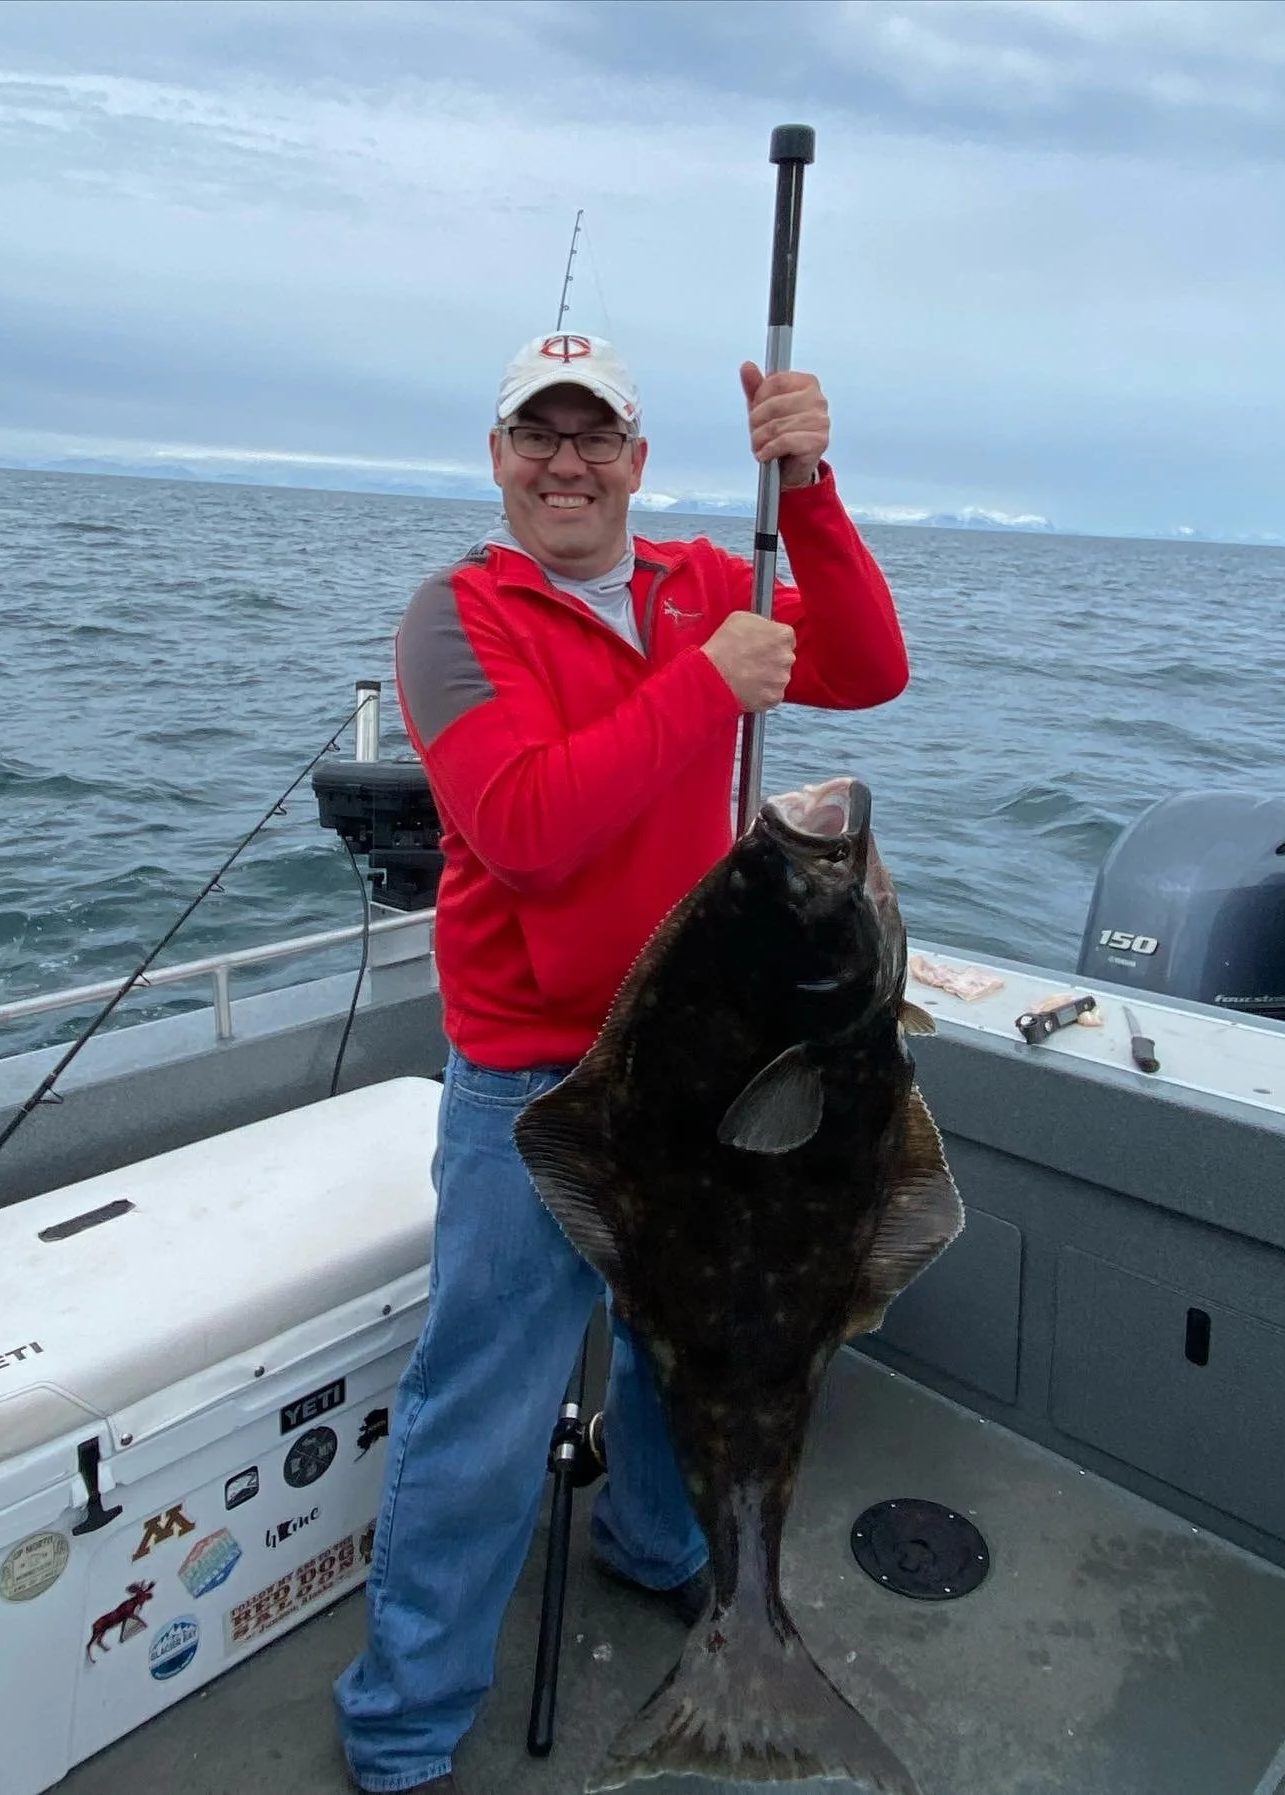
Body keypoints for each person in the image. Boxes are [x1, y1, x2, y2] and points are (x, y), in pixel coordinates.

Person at [333, 331, 910, 1794]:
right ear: (500, 456)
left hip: (709, 1075)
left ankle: (665, 1555)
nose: (569, 463)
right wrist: (708, 688)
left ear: (641, 465)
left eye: (599, 440)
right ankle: (402, 1731)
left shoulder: (705, 582)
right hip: (537, 1092)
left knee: (685, 1364)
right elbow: (525, 826)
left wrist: (813, 486)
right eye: (543, 436)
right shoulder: (454, 619)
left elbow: (870, 665)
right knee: (482, 1408)